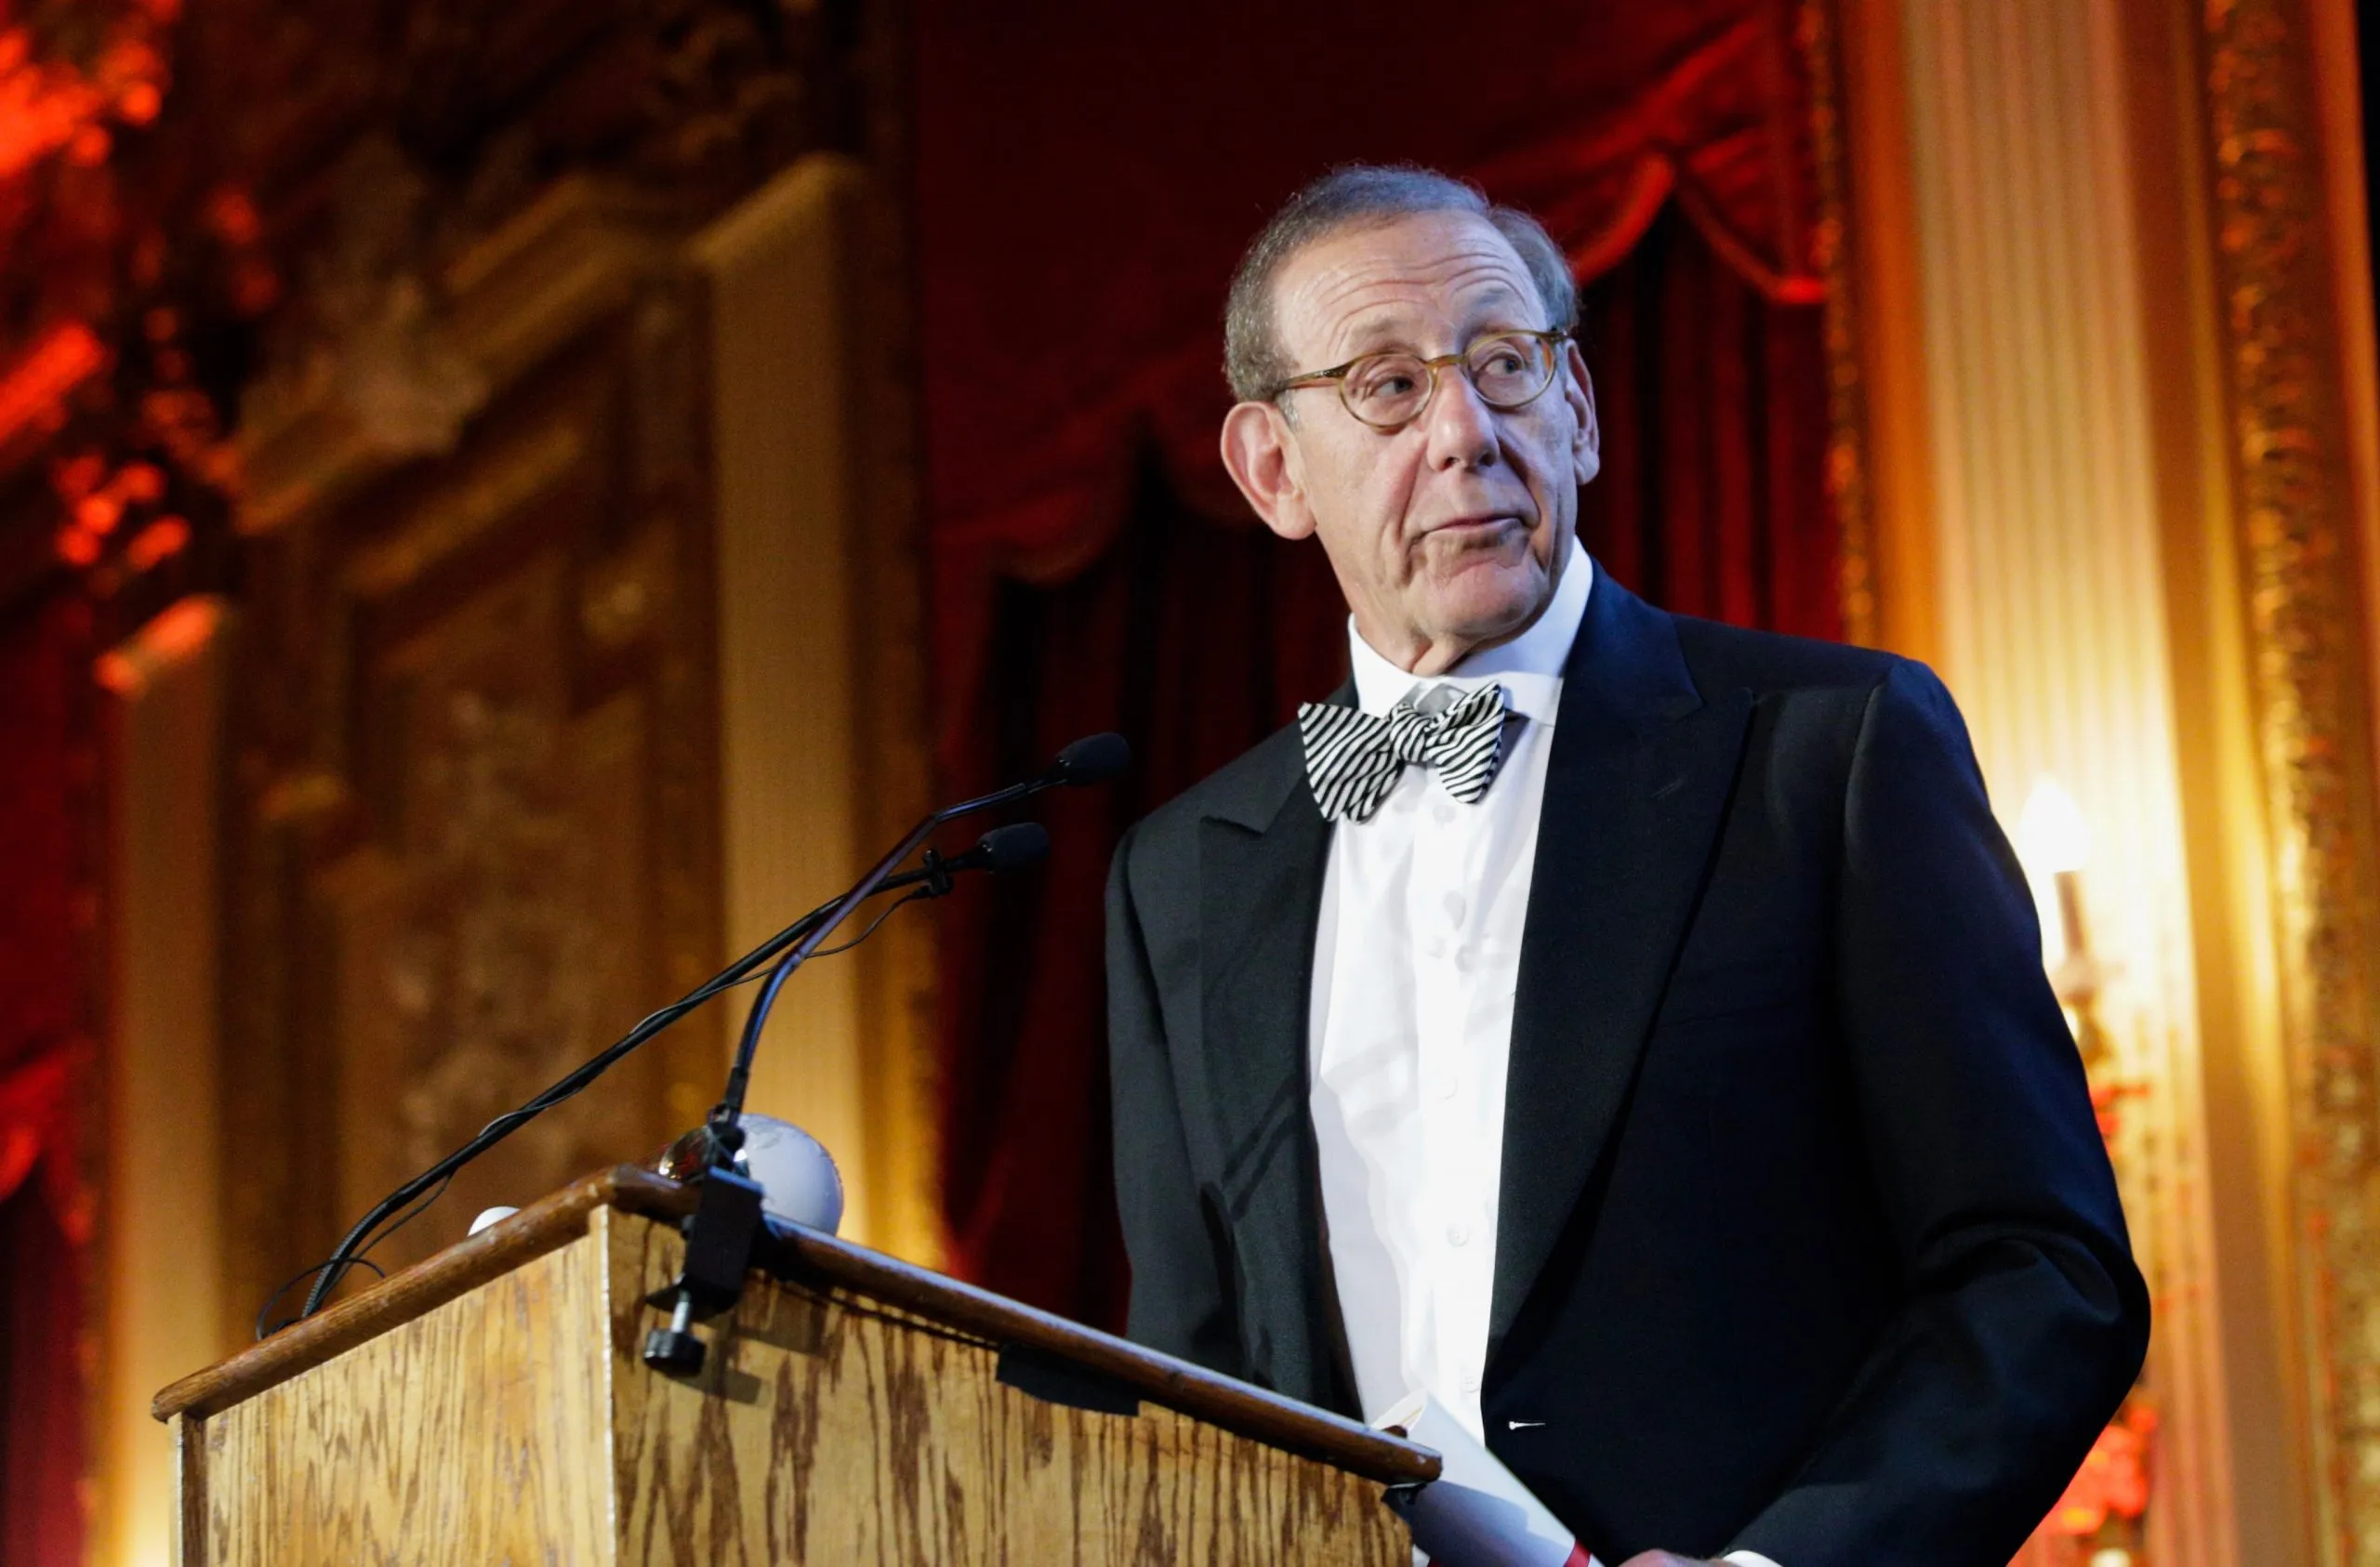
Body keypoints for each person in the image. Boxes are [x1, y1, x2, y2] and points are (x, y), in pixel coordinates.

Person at [1104, 165, 2148, 1567]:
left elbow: (2040, 1270)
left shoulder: (1829, 751)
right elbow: (1188, 1380)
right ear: (1273, 470)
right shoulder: (1183, 877)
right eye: (1388, 387)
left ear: (1579, 411)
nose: (1466, 433)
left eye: (1504, 363)